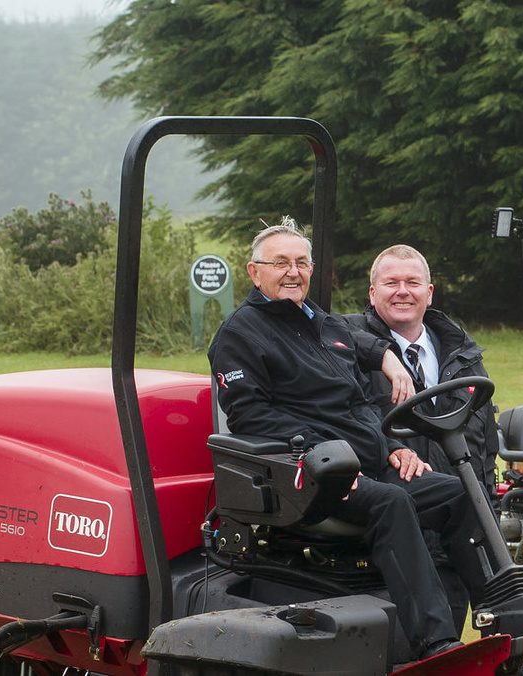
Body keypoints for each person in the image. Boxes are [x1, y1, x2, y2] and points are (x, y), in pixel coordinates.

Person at [207, 218, 478, 661]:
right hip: (309, 476)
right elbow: (249, 415)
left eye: (301, 262)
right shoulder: (240, 334)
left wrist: (393, 446)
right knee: (392, 503)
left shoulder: (321, 323)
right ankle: (436, 644)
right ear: (255, 272)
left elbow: (358, 399)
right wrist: (324, 457)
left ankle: (496, 610)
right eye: (280, 263)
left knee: (458, 494)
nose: (293, 272)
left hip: (368, 464)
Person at [342, 244, 500, 497]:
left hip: (468, 507)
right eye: (391, 283)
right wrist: (384, 356)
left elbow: (487, 447)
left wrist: (490, 507)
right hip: (399, 506)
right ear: (372, 293)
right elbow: (316, 324)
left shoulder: (463, 355)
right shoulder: (348, 348)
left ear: (429, 294)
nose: (402, 291)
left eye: (412, 283)